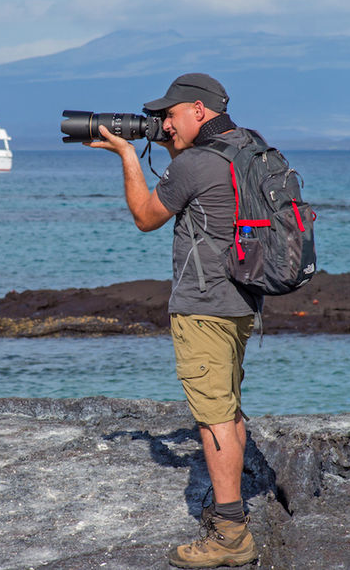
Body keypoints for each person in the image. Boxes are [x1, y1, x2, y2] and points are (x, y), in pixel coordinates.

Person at [86, 73, 261, 568]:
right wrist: (169, 146)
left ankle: (230, 536)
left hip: (203, 307)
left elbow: (146, 215)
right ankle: (231, 519)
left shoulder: (198, 163)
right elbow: (202, 190)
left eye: (170, 115)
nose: (163, 123)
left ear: (198, 112)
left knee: (213, 419)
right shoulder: (245, 147)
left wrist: (125, 154)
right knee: (228, 408)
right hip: (243, 302)